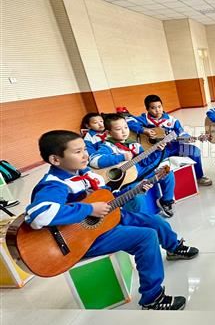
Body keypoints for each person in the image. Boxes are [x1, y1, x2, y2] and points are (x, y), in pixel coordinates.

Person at [25, 130, 199, 310]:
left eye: (85, 149)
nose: (85, 155)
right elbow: (39, 214)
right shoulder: (54, 184)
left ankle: (174, 248)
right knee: (146, 237)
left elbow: (107, 198)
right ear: (55, 159)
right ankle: (152, 298)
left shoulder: (87, 174)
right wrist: (90, 209)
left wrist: (135, 190)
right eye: (77, 152)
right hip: (82, 239)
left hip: (108, 218)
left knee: (155, 221)